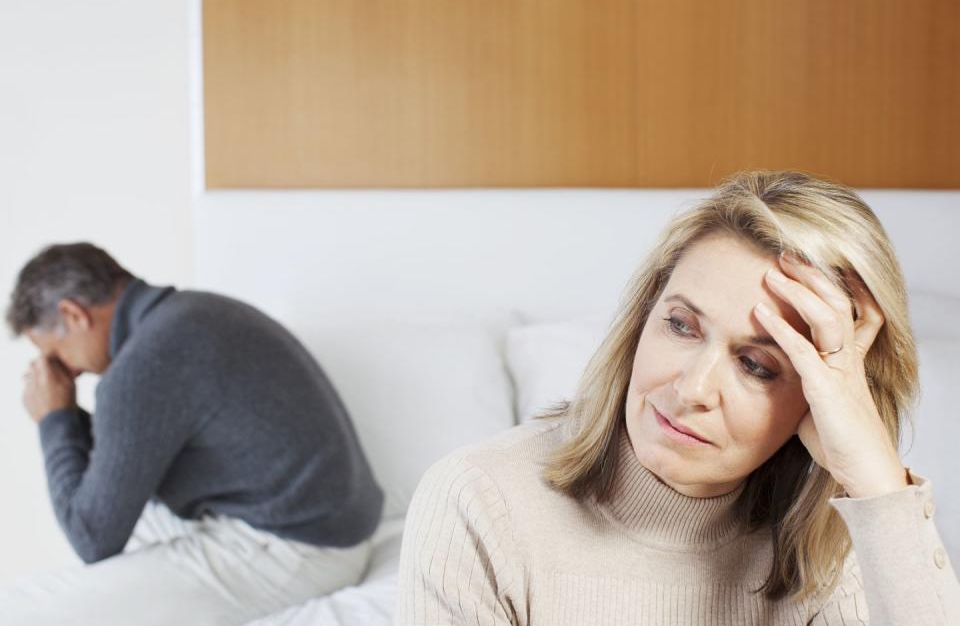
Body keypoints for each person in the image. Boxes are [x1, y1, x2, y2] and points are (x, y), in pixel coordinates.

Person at [396, 171, 960, 625]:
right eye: (682, 326)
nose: (691, 390)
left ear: (821, 400)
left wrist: (879, 488)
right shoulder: (480, 503)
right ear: (643, 318)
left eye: (756, 366)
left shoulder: (849, 546)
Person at [1, 243, 384, 625]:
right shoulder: (196, 311)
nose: (69, 372)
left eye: (56, 355)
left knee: (30, 610)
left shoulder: (142, 366)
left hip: (304, 548)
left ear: (74, 314)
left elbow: (92, 537)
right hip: (339, 521)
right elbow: (122, 462)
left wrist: (56, 417)